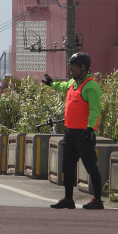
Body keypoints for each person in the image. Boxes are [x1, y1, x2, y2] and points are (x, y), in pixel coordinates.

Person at [42, 52, 104, 209]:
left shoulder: (91, 86)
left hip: (84, 133)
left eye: (73, 67)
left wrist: (90, 128)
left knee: (91, 166)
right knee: (67, 166)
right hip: (70, 132)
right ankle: (68, 199)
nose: (70, 70)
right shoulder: (72, 83)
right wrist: (51, 84)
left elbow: (94, 110)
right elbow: (61, 86)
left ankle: (98, 200)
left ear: (83, 68)